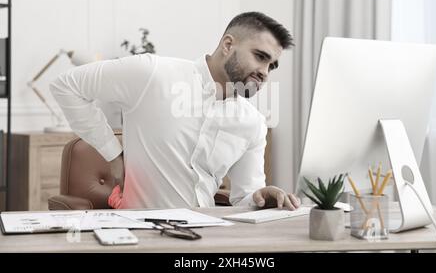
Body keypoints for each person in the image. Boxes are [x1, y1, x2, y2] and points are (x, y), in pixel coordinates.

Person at [50, 11, 300, 210]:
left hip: (210, 238)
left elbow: (244, 198)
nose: (265, 73)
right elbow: (65, 86)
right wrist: (114, 155)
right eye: (260, 56)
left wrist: (261, 198)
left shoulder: (252, 123)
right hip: (143, 237)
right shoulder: (152, 74)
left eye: (272, 65)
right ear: (227, 45)